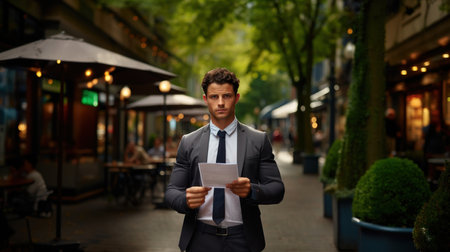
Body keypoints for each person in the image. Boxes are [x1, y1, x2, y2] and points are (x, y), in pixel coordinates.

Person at [165, 68, 285, 252]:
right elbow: (172, 191)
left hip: (242, 238)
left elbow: (277, 189)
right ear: (206, 99)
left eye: (227, 96)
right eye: (214, 97)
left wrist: (251, 190)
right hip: (200, 237)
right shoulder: (189, 142)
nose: (220, 103)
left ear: (236, 98)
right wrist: (185, 200)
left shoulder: (258, 140)